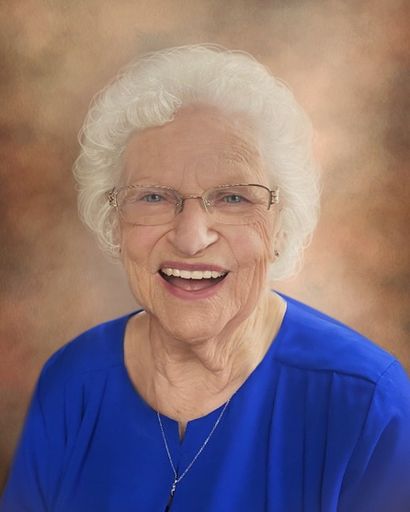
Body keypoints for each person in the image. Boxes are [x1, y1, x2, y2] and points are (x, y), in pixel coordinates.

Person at [1, 44, 409, 512]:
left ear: (281, 225)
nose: (191, 238)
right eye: (153, 196)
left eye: (233, 198)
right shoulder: (72, 383)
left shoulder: (364, 403)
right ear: (114, 222)